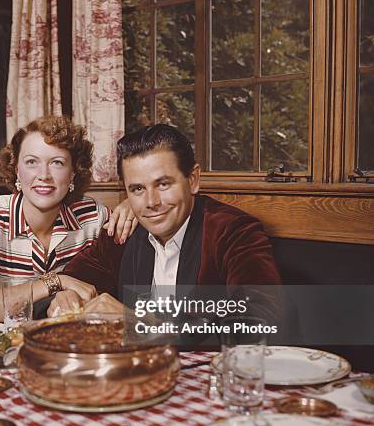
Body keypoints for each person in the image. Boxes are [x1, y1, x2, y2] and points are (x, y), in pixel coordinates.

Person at [50, 124, 283, 326]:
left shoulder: (233, 231)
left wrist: (134, 321)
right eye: (138, 189)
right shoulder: (123, 231)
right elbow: (74, 278)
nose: (151, 203)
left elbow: (258, 320)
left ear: (192, 180)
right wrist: (67, 296)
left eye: (163, 184)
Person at [0, 115, 138, 326]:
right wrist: (57, 281)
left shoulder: (94, 216)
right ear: (16, 169)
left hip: (66, 342)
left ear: (73, 172)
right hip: (1, 346)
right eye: (31, 162)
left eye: (57, 162)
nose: (43, 175)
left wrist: (135, 203)